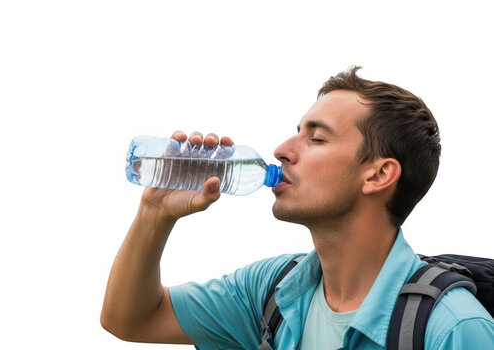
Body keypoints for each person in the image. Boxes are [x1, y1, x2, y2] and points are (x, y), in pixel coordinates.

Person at [101, 67, 494, 349]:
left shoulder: (451, 329)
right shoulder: (272, 291)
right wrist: (155, 214)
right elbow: (131, 319)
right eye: (297, 131)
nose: (283, 150)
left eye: (317, 138)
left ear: (378, 175)